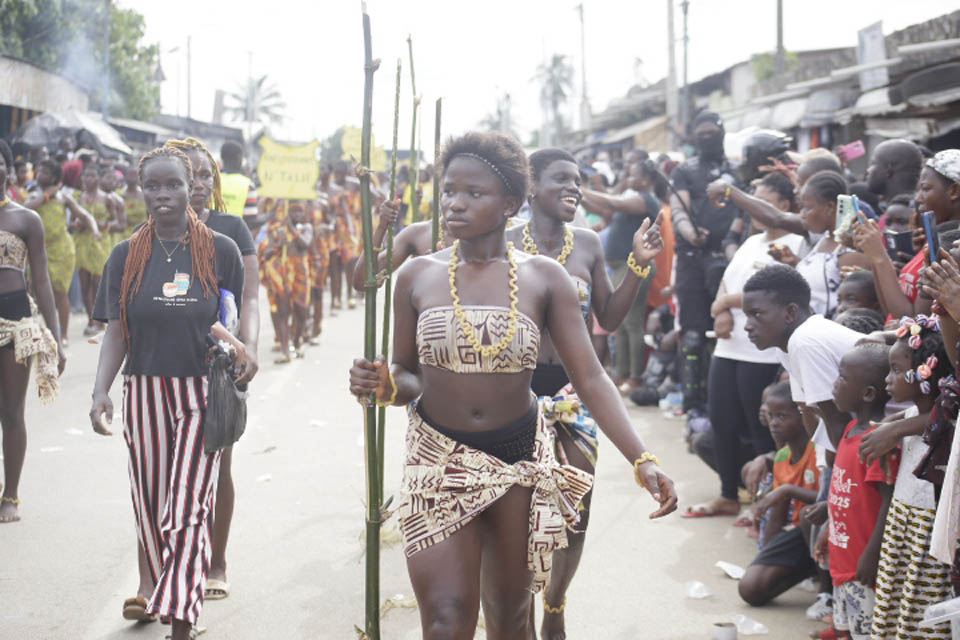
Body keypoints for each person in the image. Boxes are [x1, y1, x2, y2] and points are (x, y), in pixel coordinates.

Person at [348, 131, 677, 639]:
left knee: (510, 624)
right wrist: (383, 385)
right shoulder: (416, 275)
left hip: (519, 464)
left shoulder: (545, 278)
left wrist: (643, 458)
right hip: (438, 462)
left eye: (472, 193)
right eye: (449, 190)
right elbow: (408, 373)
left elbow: (589, 376)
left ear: (509, 204)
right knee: (445, 623)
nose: (454, 203)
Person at [504, 147, 665, 639]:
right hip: (512, 395)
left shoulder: (589, 243)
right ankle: (517, 611)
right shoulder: (504, 241)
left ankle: (554, 605)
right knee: (516, 511)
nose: (574, 188)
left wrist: (637, 265)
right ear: (531, 186)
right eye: (561, 180)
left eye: (578, 180)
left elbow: (610, 319)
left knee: (577, 509)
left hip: (573, 393)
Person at [89, 146, 244, 638]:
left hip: (200, 393)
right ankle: (166, 589)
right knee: (153, 508)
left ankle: (181, 620)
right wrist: (101, 392)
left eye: (173, 184)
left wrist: (245, 349)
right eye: (152, 186)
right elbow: (116, 331)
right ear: (140, 191)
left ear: (190, 186)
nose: (163, 195)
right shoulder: (125, 255)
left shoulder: (220, 250)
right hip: (145, 394)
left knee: (188, 507)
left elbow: (228, 319)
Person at [163, 137, 261, 602]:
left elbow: (250, 300)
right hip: (162, 364)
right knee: (162, 470)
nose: (199, 184)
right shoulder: (153, 232)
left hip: (216, 368)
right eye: (190, 175)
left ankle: (215, 561)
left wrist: (249, 349)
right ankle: (165, 568)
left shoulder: (232, 231)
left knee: (217, 463)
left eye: (206, 175)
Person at [688, 172, 805, 518]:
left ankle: (764, 504)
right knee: (721, 422)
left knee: (762, 430)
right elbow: (727, 279)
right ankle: (727, 495)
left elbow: (773, 294)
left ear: (784, 206)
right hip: (729, 346)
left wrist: (725, 305)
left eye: (762, 198)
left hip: (764, 351)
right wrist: (719, 308)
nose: (752, 205)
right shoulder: (752, 241)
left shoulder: (796, 244)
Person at [860, 316, 954, 639]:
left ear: (928, 373)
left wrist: (894, 428)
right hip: (904, 523)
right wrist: (894, 425)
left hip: (926, 530)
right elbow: (919, 416)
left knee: (920, 616)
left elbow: (937, 418)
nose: (888, 379)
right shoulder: (914, 412)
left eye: (897, 371)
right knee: (896, 609)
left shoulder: (948, 421)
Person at [0, 140, 65, 523]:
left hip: (15, 318)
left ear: (9, 171)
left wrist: (54, 337)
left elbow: (42, 282)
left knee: (11, 410)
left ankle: (11, 496)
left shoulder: (26, 219)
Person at [817, 343, 894, 640]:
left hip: (862, 565)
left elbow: (886, 502)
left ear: (867, 394)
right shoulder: (849, 430)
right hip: (842, 558)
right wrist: (828, 525)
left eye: (842, 377)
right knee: (844, 629)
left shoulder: (875, 442)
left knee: (865, 633)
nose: (835, 384)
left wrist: (871, 555)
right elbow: (846, 493)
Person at [670, 110, 742, 416]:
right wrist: (690, 233)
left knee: (732, 329)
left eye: (712, 132)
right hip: (692, 258)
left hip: (732, 260)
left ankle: (726, 400)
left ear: (723, 133)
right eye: (701, 134)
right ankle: (692, 402)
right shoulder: (685, 171)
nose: (706, 138)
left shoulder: (737, 171)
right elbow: (678, 211)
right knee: (693, 334)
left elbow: (747, 209)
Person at [580, 159, 659, 394]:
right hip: (622, 266)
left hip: (632, 266)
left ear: (646, 179)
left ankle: (635, 378)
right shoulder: (629, 198)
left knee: (632, 323)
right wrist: (579, 195)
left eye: (632, 174)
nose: (628, 178)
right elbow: (601, 209)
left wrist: (579, 188)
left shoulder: (644, 200)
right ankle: (621, 374)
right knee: (621, 324)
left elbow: (612, 202)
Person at [738, 381, 819, 606]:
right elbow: (778, 513)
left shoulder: (819, 452)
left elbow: (830, 498)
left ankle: (827, 592)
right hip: (798, 534)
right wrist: (767, 555)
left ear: (804, 416)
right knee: (750, 589)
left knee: (808, 517)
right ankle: (810, 568)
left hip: (821, 529)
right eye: (770, 416)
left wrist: (787, 490)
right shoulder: (782, 457)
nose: (773, 423)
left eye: (782, 416)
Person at [854, 148, 960, 319]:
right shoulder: (933, 239)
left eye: (925, 189)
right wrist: (876, 259)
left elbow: (914, 322)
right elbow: (890, 311)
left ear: (954, 191)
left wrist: (879, 257)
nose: (918, 198)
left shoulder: (950, 246)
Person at [772, 171, 870, 318]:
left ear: (830, 207)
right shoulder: (824, 238)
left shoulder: (850, 251)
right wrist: (795, 262)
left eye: (806, 208)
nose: (802, 214)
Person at [24, 159, 100, 344]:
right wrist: (46, 196)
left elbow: (84, 214)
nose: (40, 175)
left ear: (55, 177)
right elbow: (25, 209)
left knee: (60, 292)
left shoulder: (64, 198)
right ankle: (42, 332)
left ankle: (62, 335)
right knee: (35, 293)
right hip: (38, 250)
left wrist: (95, 229)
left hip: (62, 250)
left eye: (45, 172)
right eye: (39, 171)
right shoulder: (33, 194)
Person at [74, 162, 119, 336]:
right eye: (86, 176)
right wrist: (76, 224)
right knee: (84, 284)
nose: (89, 179)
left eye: (92, 176)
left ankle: (100, 321)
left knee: (98, 283)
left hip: (100, 243)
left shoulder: (107, 199)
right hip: (83, 243)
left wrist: (104, 225)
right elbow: (71, 222)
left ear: (98, 178)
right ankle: (90, 319)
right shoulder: (79, 197)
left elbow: (116, 222)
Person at [866, 139, 924, 204]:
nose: (868, 170)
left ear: (888, 170)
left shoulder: (906, 211)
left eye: (873, 164)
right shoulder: (920, 206)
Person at [121, 162, 147, 232]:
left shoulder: (145, 194)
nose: (132, 177)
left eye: (134, 174)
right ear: (125, 176)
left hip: (141, 233)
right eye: (129, 174)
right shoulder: (119, 195)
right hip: (123, 234)